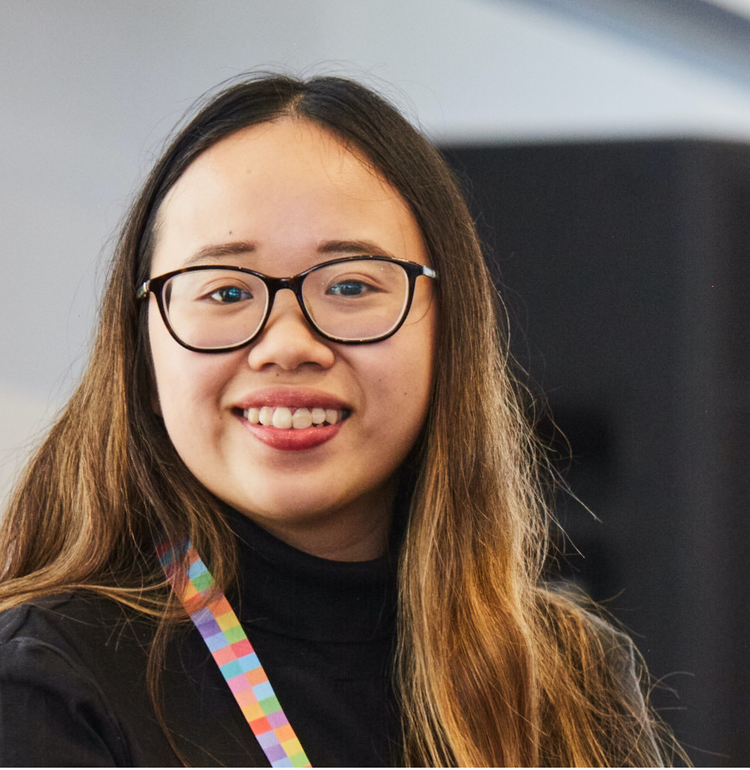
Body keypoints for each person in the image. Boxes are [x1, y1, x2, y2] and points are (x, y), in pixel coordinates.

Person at [0, 74, 671, 767]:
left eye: (350, 285)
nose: (288, 344)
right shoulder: (45, 684)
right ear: (141, 354)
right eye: (225, 292)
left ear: (451, 336)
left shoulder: (568, 679)